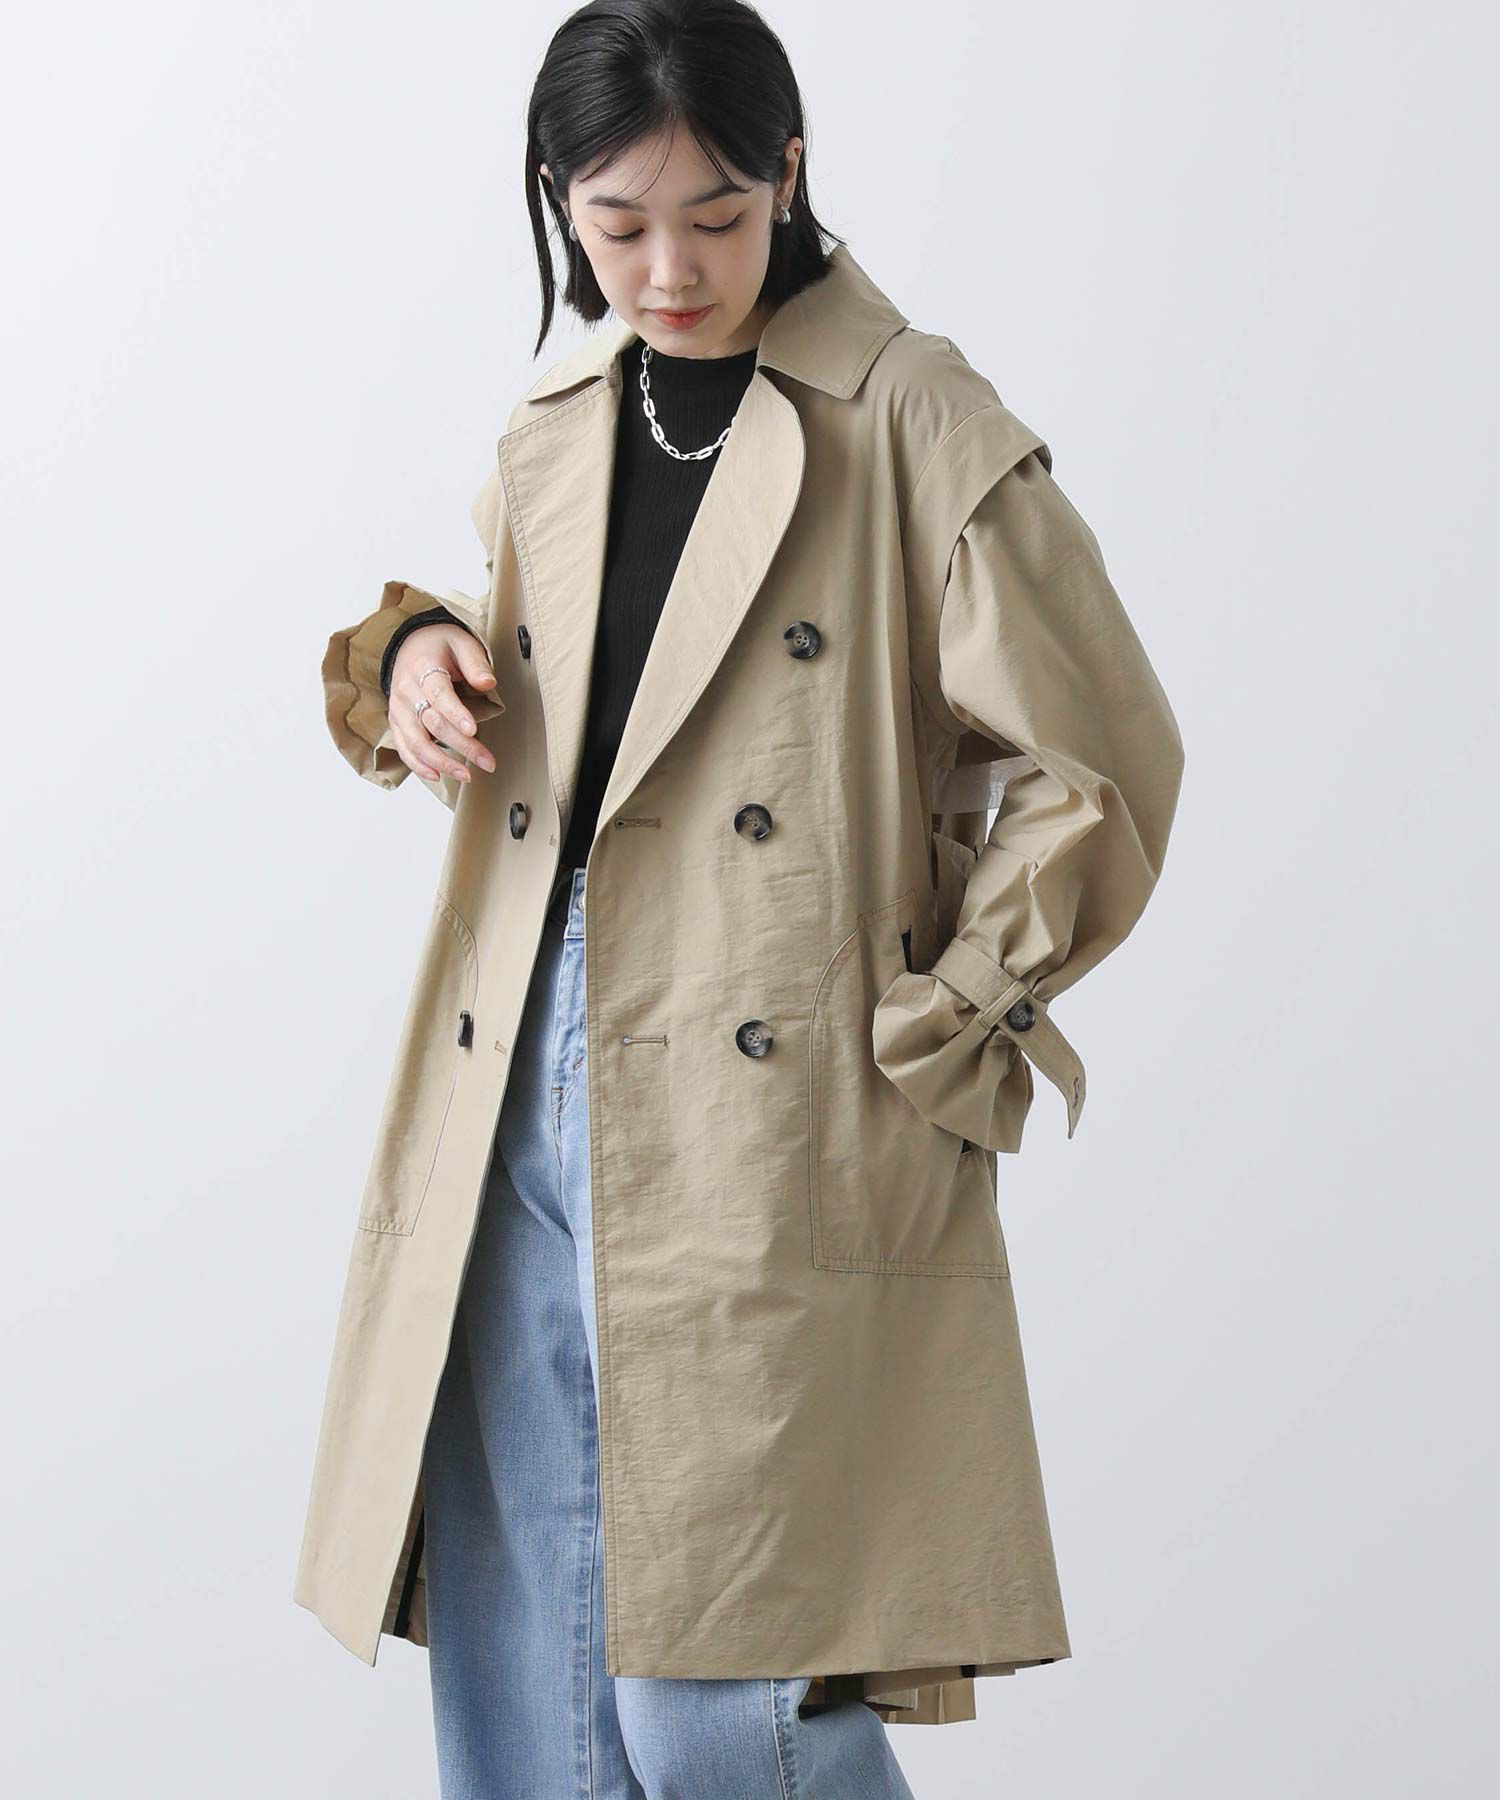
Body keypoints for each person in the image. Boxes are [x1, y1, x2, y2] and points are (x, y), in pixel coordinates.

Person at [301, 2, 1184, 1794]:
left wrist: (947, 1019)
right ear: (558, 201)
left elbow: (1103, 759)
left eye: (714, 215)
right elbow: (549, 664)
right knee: (531, 1689)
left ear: (789, 172)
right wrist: (415, 655)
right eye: (617, 224)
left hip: (771, 1090)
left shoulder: (910, 410)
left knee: (722, 1702)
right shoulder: (564, 414)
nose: (670, 271)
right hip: (517, 1063)